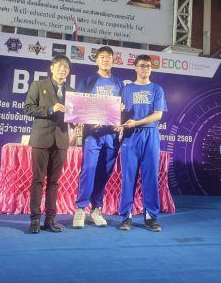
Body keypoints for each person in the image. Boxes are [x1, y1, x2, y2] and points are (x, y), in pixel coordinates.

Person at [72, 46, 124, 228]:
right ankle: (81, 209)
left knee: (104, 172)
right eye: (102, 57)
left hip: (111, 135)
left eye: (109, 57)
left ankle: (96, 209)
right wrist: (88, 121)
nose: (105, 60)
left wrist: (120, 120)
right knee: (89, 169)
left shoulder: (119, 83)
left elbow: (123, 108)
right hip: (92, 135)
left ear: (113, 60)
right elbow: (78, 107)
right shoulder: (88, 81)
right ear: (96, 60)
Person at [24, 55, 74, 234]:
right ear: (51, 68)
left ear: (69, 71)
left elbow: (74, 116)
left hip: (61, 140)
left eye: (66, 67)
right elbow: (28, 108)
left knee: (54, 182)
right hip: (41, 138)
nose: (62, 70)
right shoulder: (38, 85)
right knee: (38, 180)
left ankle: (50, 219)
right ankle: (35, 219)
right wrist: (51, 109)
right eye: (59, 66)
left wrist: (81, 120)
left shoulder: (72, 91)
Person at [119, 54, 167, 232]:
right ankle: (126, 217)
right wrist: (118, 123)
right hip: (130, 136)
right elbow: (120, 112)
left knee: (150, 177)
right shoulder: (126, 89)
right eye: (142, 65)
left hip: (150, 135)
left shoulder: (157, 89)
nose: (145, 69)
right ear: (135, 68)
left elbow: (158, 115)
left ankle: (150, 218)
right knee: (128, 177)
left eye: (148, 66)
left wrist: (137, 122)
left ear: (151, 69)